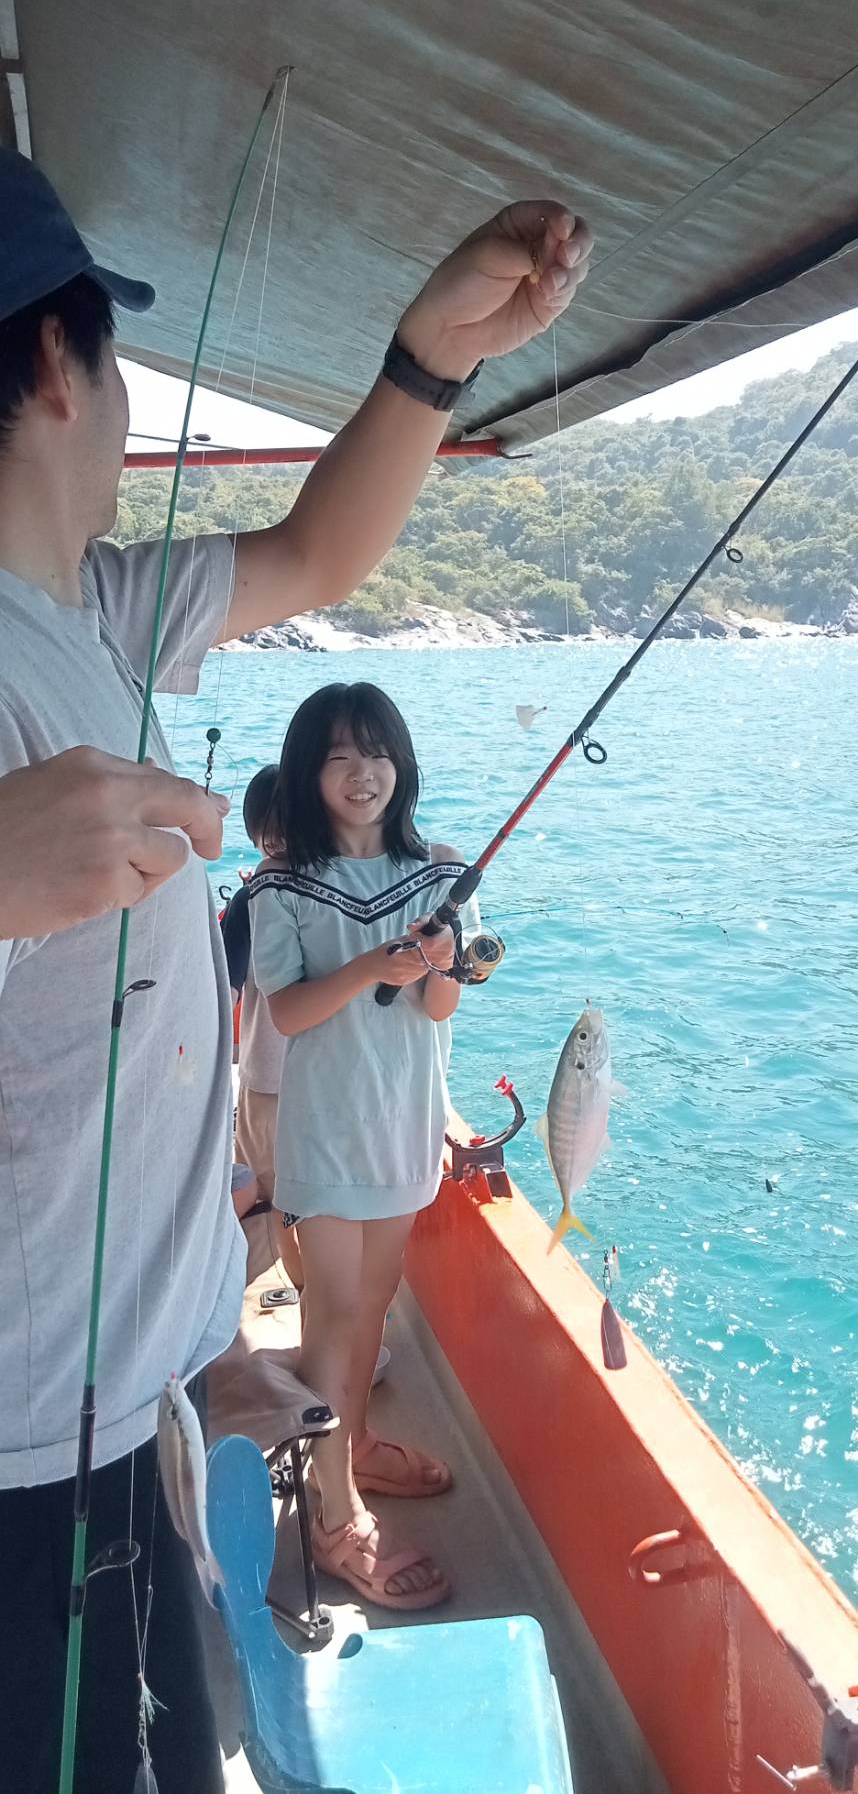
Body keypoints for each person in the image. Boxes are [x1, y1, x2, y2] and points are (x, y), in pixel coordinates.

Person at [0, 140, 590, 1793]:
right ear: (57, 361)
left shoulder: (94, 608)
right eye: (118, 358)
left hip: (136, 1414)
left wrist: (429, 356)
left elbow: (319, 551)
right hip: (31, 1465)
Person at [249, 683, 479, 1611]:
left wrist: (439, 962)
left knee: (374, 1304)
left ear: (401, 765)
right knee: (335, 1312)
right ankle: (332, 1509)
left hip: (404, 1122)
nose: (361, 771)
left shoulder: (438, 874)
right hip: (327, 1130)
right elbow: (288, 1011)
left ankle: (355, 1445)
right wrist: (366, 967)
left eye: (377, 751)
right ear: (309, 772)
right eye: (339, 755)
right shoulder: (280, 884)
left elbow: (440, 1006)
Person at [221, 765, 304, 1286]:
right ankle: (304, 1291)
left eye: (286, 824)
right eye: (265, 827)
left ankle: (306, 1292)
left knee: (288, 1201)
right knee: (285, 1201)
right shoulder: (249, 901)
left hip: (305, 1082)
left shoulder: (253, 898)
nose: (275, 838)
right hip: (269, 1080)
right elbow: (225, 991)